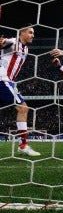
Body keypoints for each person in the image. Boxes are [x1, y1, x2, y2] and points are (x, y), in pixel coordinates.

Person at [0, 25, 40, 156]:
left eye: (33, 33)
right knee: (23, 108)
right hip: (2, 80)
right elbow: (4, 43)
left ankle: (23, 145)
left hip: (9, 82)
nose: (33, 35)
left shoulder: (26, 49)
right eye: (30, 32)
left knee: (23, 109)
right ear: (21, 32)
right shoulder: (13, 41)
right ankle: (23, 145)